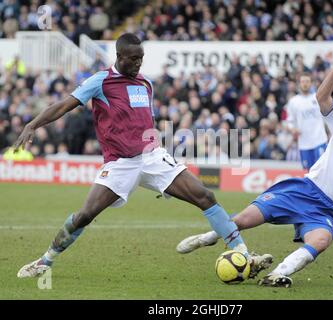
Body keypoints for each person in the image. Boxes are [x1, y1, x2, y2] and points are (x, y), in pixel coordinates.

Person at [15, 33, 272, 278]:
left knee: (205, 195)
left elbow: (145, 120)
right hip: (120, 164)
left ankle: (243, 254)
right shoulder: (100, 81)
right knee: (85, 215)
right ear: (119, 56)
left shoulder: (145, 83)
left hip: (152, 157)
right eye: (133, 59)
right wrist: (33, 125)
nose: (138, 63)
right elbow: (63, 105)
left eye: (141, 58)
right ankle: (45, 261)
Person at [176, 36, 333, 287]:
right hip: (304, 190)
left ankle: (277, 273)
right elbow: (322, 98)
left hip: (327, 210)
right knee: (244, 220)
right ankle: (209, 237)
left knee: (322, 241)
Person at [286, 73, 328, 170]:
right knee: (308, 172)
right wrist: (292, 129)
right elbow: (289, 121)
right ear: (299, 84)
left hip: (319, 140)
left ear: (311, 83)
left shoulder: (317, 98)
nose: (305, 84)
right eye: (303, 81)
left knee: (321, 169)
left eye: (307, 81)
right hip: (304, 143)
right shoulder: (293, 101)